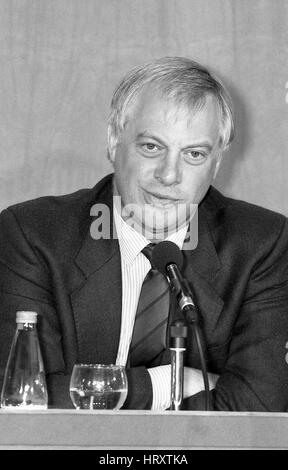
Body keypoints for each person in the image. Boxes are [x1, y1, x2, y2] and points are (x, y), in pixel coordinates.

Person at [0, 56, 287, 411]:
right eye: (152, 147)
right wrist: (172, 382)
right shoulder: (34, 235)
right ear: (113, 142)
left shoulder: (263, 245)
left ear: (217, 164)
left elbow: (260, 404)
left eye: (194, 154)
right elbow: (23, 395)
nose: (169, 175)